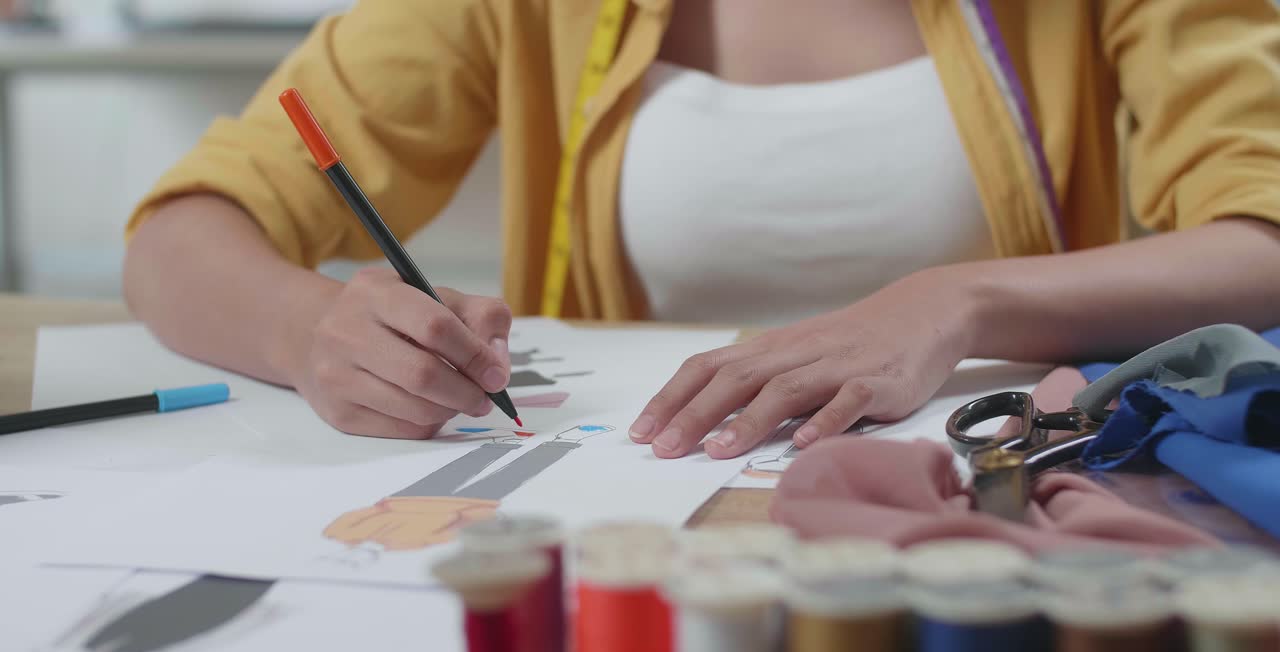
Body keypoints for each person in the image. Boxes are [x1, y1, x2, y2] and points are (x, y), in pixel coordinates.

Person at [123, 0, 1280, 461]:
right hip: (647, 510)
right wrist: (308, 326)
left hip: (984, 494)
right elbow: (181, 236)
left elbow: (1259, 236)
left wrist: (956, 301)